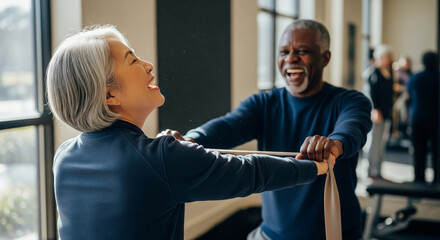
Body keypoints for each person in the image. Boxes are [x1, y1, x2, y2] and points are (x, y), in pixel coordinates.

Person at [46, 25, 330, 240]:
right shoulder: (162, 157)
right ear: (110, 95)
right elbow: (251, 172)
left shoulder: (64, 156)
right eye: (133, 61)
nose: (148, 65)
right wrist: (315, 166)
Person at [161, 19, 372, 239]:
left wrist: (334, 144)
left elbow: (352, 129)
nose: (291, 58)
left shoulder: (350, 101)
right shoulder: (264, 103)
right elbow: (227, 125)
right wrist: (188, 140)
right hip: (271, 234)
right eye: (284, 52)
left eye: (302, 51)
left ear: (324, 58)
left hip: (335, 234)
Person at [408, 51, 439, 183]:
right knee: (437, 151)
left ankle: (419, 179)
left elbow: (409, 95)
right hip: (436, 118)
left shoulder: (415, 77)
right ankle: (437, 179)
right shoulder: (438, 77)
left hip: (418, 118)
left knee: (419, 150)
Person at [366, 44, 394, 178]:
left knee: (382, 142)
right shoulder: (374, 72)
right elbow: (372, 92)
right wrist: (375, 109)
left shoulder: (388, 71)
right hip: (378, 112)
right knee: (374, 142)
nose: (390, 59)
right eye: (388, 57)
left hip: (387, 111)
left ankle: (378, 170)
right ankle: (370, 170)